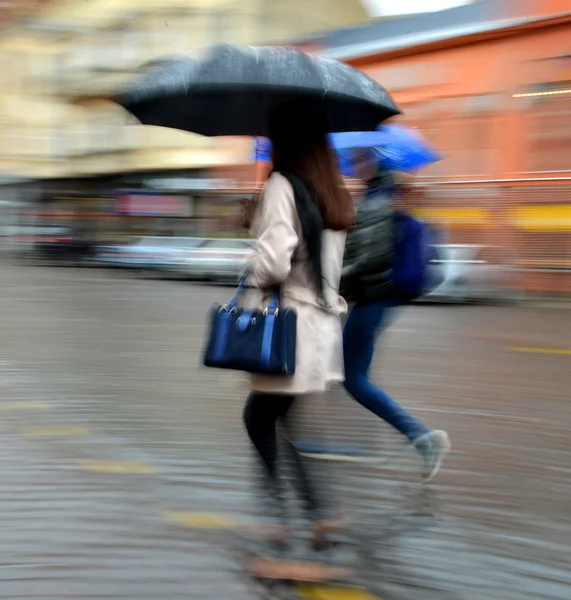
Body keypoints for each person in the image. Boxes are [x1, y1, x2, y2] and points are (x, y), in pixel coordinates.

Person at [241, 98, 352, 546]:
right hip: (320, 327)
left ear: (286, 141)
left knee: (259, 418)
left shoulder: (282, 186)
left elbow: (272, 265)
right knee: (276, 420)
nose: (266, 146)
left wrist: (256, 238)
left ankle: (282, 519)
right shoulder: (332, 191)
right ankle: (315, 515)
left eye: (271, 137)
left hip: (287, 328)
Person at [342, 148, 451, 482]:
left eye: (362, 159)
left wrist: (330, 279)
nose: (356, 165)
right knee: (351, 373)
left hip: (372, 298)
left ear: (378, 162)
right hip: (378, 299)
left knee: (353, 378)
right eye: (355, 160)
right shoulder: (382, 197)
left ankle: (421, 435)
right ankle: (419, 437)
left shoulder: (376, 202)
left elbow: (368, 262)